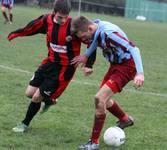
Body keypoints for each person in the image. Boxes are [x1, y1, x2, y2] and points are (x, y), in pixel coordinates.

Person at [7, 0, 95, 133]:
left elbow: (92, 42)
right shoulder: (46, 20)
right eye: (60, 17)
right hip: (49, 63)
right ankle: (49, 99)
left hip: (64, 69)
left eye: (66, 17)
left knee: (37, 97)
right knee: (29, 93)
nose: (63, 20)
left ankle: (24, 124)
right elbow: (32, 27)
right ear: (54, 12)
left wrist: (88, 64)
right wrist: (16, 33)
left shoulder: (73, 26)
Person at [71, 16, 144, 150]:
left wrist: (140, 73)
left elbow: (134, 49)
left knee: (100, 98)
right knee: (103, 101)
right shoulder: (96, 27)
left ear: (90, 28)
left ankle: (94, 143)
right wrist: (86, 56)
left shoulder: (109, 34)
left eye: (84, 36)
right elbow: (94, 41)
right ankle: (125, 119)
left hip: (127, 66)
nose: (84, 40)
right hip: (115, 65)